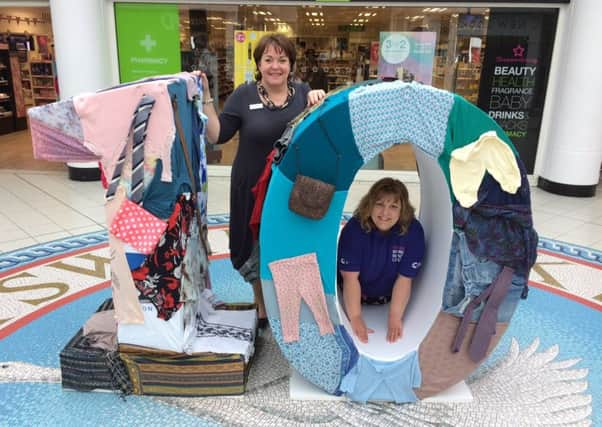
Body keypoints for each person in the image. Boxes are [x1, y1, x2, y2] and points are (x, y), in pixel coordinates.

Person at [197, 33, 326, 327]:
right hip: (251, 185)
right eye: (268, 59)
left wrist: (320, 101)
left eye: (282, 59)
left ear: (291, 64)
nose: (275, 66)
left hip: (288, 188)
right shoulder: (244, 95)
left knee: (287, 244)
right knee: (253, 245)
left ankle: (288, 301)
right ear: (259, 64)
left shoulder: (305, 92)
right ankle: (262, 304)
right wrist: (206, 95)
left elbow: (319, 133)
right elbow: (218, 135)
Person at [337, 178, 425, 344]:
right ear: (369, 205)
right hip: (355, 290)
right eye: (379, 204)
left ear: (402, 210)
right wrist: (355, 317)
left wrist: (394, 317)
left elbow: (405, 278)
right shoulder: (355, 229)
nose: (385, 213)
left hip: (388, 295)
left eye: (393, 206)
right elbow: (350, 278)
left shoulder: (413, 232)